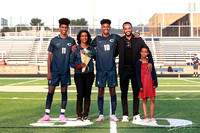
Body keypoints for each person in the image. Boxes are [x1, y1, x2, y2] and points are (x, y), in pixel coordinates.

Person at [116, 22, 154, 123]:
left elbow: (148, 51)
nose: (127, 30)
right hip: (124, 70)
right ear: (123, 30)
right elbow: (114, 52)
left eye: (129, 28)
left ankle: (136, 114)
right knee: (124, 93)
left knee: (136, 93)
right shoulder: (119, 40)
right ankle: (125, 115)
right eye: (125, 28)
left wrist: (150, 62)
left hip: (135, 70)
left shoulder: (138, 39)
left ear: (132, 29)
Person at [39, 18, 76, 121]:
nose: (64, 29)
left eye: (66, 27)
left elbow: (75, 53)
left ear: (67, 28)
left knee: (64, 92)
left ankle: (62, 114)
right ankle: (46, 114)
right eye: (62, 27)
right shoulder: (54, 40)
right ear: (59, 28)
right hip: (54, 71)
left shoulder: (71, 41)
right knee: (51, 91)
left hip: (65, 71)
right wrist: (49, 72)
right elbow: (49, 57)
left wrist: (75, 50)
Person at [91, 19, 120, 122]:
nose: (106, 28)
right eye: (104, 26)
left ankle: (113, 114)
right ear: (101, 28)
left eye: (107, 26)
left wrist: (115, 55)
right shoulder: (97, 39)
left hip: (111, 69)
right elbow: (88, 48)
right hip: (100, 69)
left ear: (110, 28)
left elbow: (124, 42)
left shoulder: (115, 37)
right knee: (100, 92)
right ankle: (101, 115)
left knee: (113, 91)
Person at [70, 30, 95, 121]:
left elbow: (96, 58)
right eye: (82, 36)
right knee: (80, 94)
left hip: (89, 74)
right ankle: (79, 115)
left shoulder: (91, 49)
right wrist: (78, 66)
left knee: (88, 95)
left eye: (86, 36)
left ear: (88, 37)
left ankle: (86, 115)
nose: (84, 37)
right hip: (79, 75)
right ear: (79, 38)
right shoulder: (76, 49)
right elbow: (71, 63)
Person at [135, 46, 158, 123]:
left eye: (145, 52)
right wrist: (140, 85)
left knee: (152, 99)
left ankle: (151, 117)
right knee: (144, 100)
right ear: (140, 53)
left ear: (148, 53)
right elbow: (137, 75)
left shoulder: (150, 62)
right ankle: (146, 117)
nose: (144, 53)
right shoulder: (137, 62)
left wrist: (155, 82)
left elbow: (154, 72)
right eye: (142, 51)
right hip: (142, 82)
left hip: (150, 82)